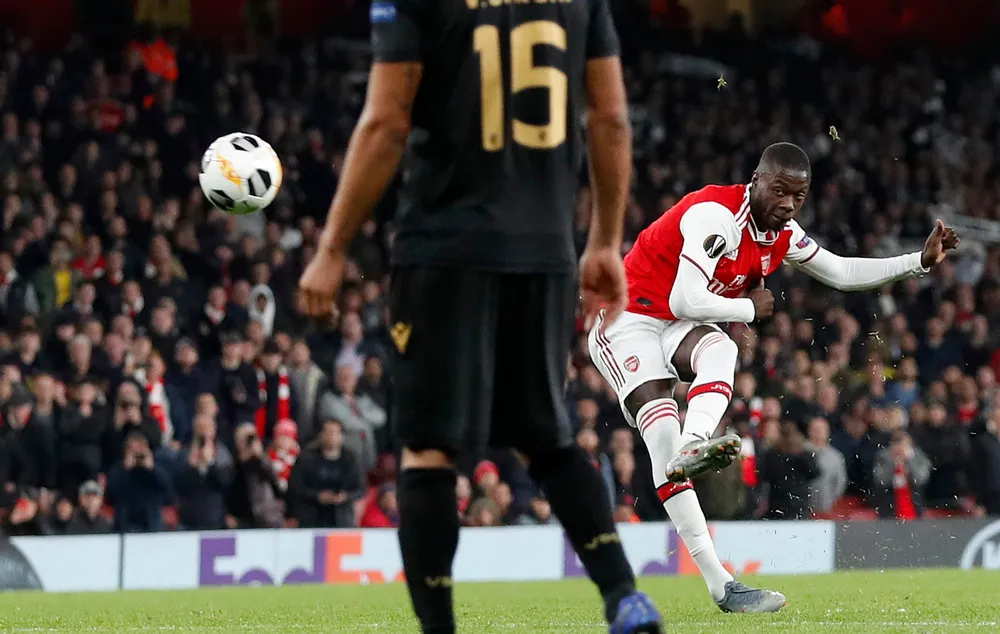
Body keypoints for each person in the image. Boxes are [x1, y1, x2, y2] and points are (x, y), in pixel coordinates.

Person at [296, 0, 663, 632]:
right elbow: (609, 117)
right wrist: (604, 240)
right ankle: (623, 595)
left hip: (446, 248)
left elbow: (386, 121)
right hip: (544, 249)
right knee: (546, 437)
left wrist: (332, 248)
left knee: (428, 449)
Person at [587, 142, 960, 612]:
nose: (787, 204)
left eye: (798, 196)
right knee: (661, 430)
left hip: (675, 323)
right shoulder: (715, 216)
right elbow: (685, 298)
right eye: (779, 191)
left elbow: (841, 271)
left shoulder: (781, 234)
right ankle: (720, 583)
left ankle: (694, 444)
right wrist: (748, 307)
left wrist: (917, 262)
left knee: (721, 349)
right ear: (756, 180)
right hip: (626, 318)